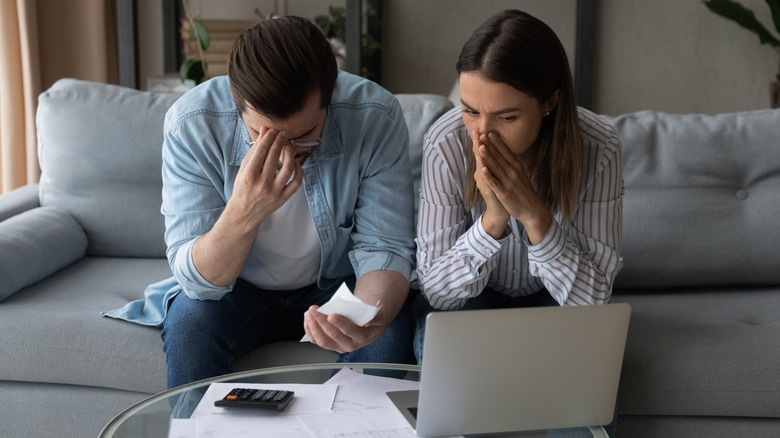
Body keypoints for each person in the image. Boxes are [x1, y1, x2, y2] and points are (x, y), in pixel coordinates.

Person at [103, 16, 417, 389]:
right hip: (237, 290)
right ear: (238, 107)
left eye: (304, 136)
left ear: (329, 103)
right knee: (191, 327)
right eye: (261, 134)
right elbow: (197, 281)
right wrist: (243, 210)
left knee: (389, 335)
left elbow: (386, 248)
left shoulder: (375, 117)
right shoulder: (192, 124)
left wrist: (369, 317)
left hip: (338, 283)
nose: (284, 151)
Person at [414, 9, 623, 362]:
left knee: (579, 401)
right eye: (470, 111)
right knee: (458, 390)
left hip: (554, 300)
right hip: (471, 300)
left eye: (506, 117)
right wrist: (492, 221)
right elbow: (437, 293)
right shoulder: (445, 143)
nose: (482, 134)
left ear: (549, 103)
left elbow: (592, 302)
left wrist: (534, 216)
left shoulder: (599, 148)